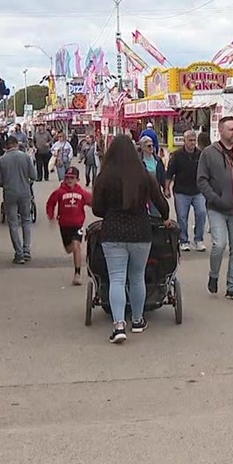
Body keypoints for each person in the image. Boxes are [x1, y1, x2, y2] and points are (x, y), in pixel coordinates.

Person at [90, 134, 170, 344]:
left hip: (113, 232)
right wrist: (164, 217)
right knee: (137, 277)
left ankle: (118, 325)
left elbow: (97, 209)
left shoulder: (104, 177)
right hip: (140, 232)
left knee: (117, 278)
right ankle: (137, 320)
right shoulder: (143, 175)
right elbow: (161, 203)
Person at [197, 115, 233, 302]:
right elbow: (202, 180)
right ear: (220, 131)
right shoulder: (208, 153)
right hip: (217, 208)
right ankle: (214, 274)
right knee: (219, 244)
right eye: (231, 129)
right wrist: (214, 198)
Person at [0, 136, 38, 264]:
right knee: (26, 220)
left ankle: (18, 254)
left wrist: (7, 184)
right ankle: (26, 250)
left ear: (6, 146)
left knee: (13, 223)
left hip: (9, 194)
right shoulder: (25, 157)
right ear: (16, 145)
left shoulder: (1, 161)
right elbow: (34, 175)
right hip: (25, 193)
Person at [46, 166, 92, 286]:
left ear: (77, 179)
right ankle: (72, 249)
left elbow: (92, 202)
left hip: (78, 225)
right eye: (67, 178)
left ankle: (77, 274)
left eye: (72, 178)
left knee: (76, 246)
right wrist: (51, 216)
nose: (69, 180)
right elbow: (50, 203)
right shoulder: (59, 192)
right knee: (69, 249)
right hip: (64, 225)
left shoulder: (81, 193)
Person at [166, 129, 206, 252]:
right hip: (181, 191)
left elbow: (206, 172)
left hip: (197, 190)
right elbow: (169, 173)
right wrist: (167, 188)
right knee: (182, 217)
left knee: (201, 213)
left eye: (194, 140)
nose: (193, 143)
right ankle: (184, 240)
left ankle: (198, 239)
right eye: (190, 140)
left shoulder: (200, 155)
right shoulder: (177, 155)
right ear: (184, 141)